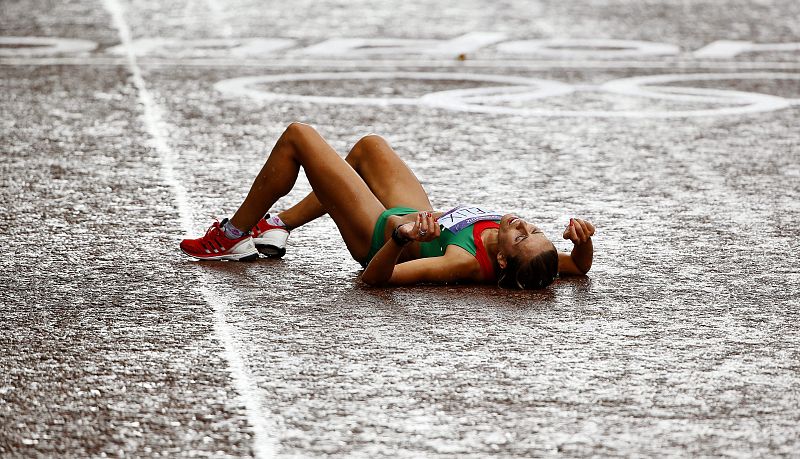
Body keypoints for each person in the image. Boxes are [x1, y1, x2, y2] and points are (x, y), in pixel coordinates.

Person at [180, 123, 595, 288]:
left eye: (520, 236)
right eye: (534, 229)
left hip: (377, 232)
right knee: (369, 147)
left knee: (298, 137)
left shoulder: (461, 262)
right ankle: (278, 226)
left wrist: (399, 238)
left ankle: (232, 236)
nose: (523, 225)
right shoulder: (533, 258)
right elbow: (577, 267)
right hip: (415, 211)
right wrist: (583, 242)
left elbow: (377, 279)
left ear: (502, 260)